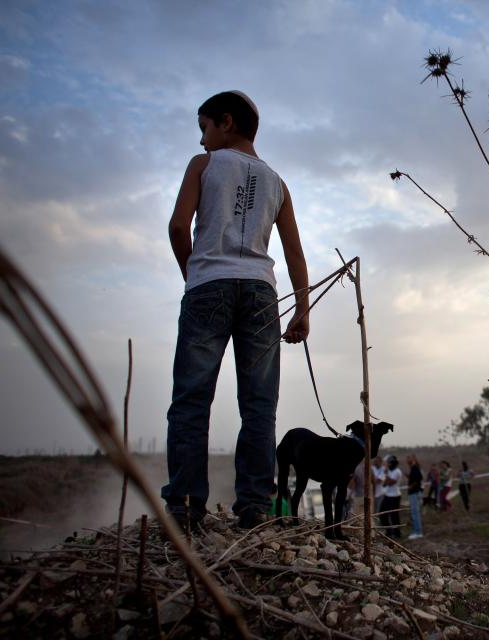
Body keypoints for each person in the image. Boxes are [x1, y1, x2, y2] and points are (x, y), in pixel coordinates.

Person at [161, 91, 310, 531]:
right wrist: (302, 309)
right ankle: (254, 506)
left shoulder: (204, 165)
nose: (203, 140)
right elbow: (295, 254)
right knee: (260, 404)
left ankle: (187, 505)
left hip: (210, 283)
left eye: (205, 128)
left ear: (225, 122)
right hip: (262, 293)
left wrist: (193, 274)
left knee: (191, 398)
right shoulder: (277, 182)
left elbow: (176, 225)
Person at [380, 455, 403, 538]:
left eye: (388, 463)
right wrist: (386, 475)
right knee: (382, 514)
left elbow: (390, 483)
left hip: (395, 496)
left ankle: (397, 533)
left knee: (394, 515)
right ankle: (389, 531)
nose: (387, 465)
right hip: (388, 495)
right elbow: (384, 484)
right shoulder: (389, 471)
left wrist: (386, 475)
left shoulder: (397, 471)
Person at [406, 454, 424, 539]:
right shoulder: (413, 468)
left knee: (415, 513)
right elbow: (415, 478)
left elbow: (419, 478)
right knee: (414, 513)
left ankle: (417, 532)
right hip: (413, 492)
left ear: (413, 459)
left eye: (408, 458)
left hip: (414, 492)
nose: (407, 460)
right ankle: (416, 531)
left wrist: (411, 486)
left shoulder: (415, 467)